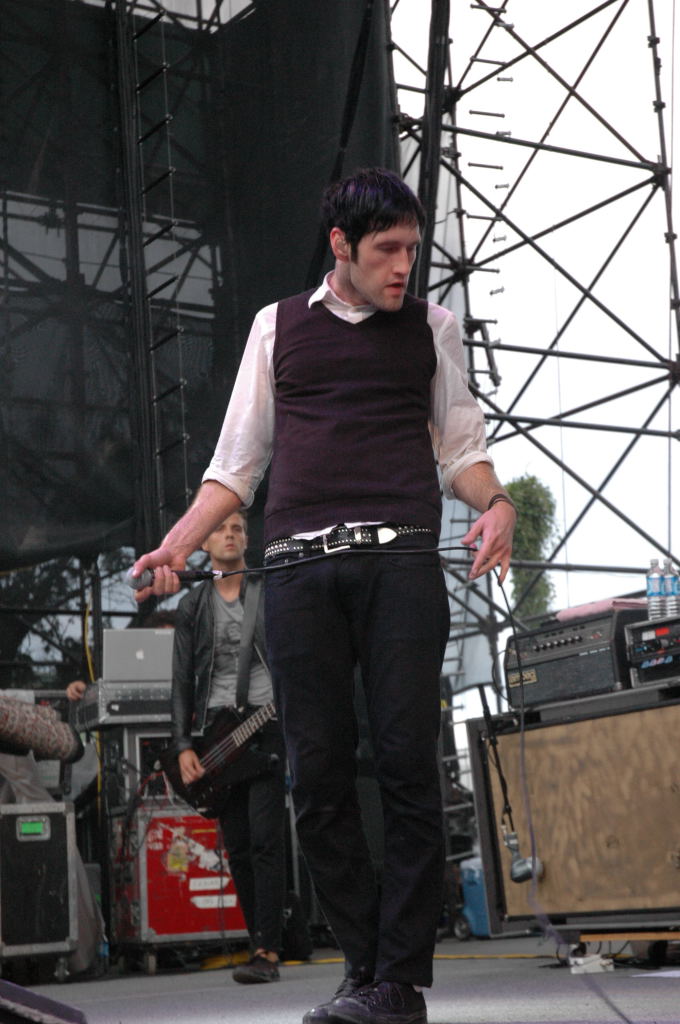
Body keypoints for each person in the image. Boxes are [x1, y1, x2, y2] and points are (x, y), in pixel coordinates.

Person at [132, 167, 516, 1024]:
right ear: (341, 245)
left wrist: (496, 504)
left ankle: (397, 980)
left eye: (412, 250)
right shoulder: (277, 328)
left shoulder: (433, 327)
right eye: (387, 250)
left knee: (409, 764)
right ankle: (368, 969)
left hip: (401, 568)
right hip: (301, 576)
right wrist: (176, 545)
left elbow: (462, 450)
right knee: (317, 776)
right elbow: (237, 465)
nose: (403, 267)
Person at [170, 509, 286, 983]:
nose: (230, 534)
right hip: (218, 735)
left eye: (237, 527)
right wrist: (183, 744)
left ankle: (267, 951)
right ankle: (262, 936)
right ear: (204, 543)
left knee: (265, 840)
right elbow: (181, 679)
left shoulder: (267, 590)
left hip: (266, 722)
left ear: (247, 539)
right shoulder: (192, 605)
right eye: (220, 528)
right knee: (237, 846)